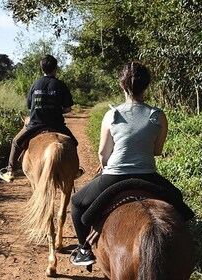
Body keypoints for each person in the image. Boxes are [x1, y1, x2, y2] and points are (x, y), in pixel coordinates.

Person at [70, 61, 194, 266]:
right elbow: (157, 151)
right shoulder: (158, 115)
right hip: (147, 175)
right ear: (147, 85)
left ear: (121, 84)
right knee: (177, 199)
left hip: (114, 176)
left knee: (76, 203)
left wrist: (105, 165)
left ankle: (84, 248)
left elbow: (103, 153)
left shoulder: (112, 114)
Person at [0, 54, 79, 182]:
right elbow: (68, 108)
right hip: (56, 125)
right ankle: (75, 170)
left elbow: (30, 107)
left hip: (35, 124)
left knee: (15, 142)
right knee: (73, 142)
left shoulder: (35, 85)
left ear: (42, 69)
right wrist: (57, 109)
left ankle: (10, 171)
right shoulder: (60, 85)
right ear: (55, 68)